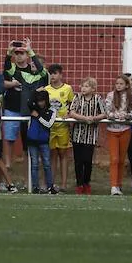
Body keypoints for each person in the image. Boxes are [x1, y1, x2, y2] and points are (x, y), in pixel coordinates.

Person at [2, 40, 47, 189]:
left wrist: (31, 51)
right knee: (27, 150)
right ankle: (29, 183)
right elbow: (7, 70)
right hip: (25, 117)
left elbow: (41, 71)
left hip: (38, 118)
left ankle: (40, 183)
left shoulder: (41, 76)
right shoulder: (22, 75)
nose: (34, 64)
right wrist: (8, 54)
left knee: (41, 152)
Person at [68, 77, 105, 195]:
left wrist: (94, 118)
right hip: (77, 134)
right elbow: (72, 112)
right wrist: (84, 118)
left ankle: (86, 183)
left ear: (93, 89)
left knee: (87, 160)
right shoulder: (77, 97)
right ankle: (79, 184)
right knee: (78, 161)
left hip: (91, 135)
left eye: (86, 86)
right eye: (82, 86)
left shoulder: (97, 98)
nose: (83, 88)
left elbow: (104, 113)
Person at [105, 74, 132, 196]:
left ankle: (119, 185)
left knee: (122, 159)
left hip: (125, 129)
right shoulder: (110, 95)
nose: (118, 86)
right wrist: (115, 116)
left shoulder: (131, 96)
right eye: (117, 84)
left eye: (121, 84)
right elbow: (107, 111)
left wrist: (127, 116)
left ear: (126, 85)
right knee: (114, 158)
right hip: (112, 130)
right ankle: (113, 186)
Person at [44, 65, 74, 193]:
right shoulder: (46, 89)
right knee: (52, 155)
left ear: (61, 75)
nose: (53, 76)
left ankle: (63, 184)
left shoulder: (67, 88)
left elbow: (72, 104)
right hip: (50, 127)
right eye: (51, 74)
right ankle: (51, 184)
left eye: (55, 73)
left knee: (63, 155)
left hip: (63, 127)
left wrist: (69, 114)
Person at [26, 90, 56, 194]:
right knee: (34, 164)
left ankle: (50, 186)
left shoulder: (52, 111)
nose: (40, 103)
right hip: (32, 140)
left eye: (42, 101)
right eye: (38, 101)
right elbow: (29, 101)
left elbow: (48, 124)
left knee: (47, 164)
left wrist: (38, 116)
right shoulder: (34, 107)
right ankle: (35, 187)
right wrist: (35, 91)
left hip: (44, 141)